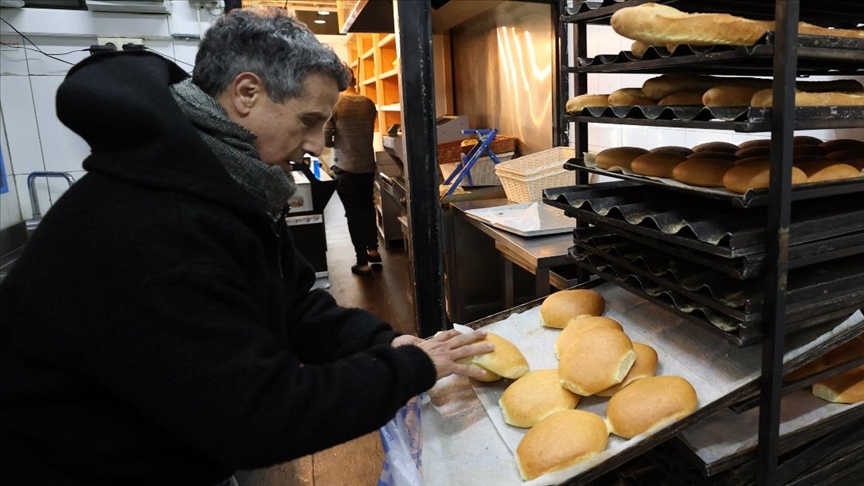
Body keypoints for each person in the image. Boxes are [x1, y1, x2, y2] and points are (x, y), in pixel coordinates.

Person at [0, 8, 492, 486]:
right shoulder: (158, 221)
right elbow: (259, 415)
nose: (317, 143)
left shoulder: (221, 181)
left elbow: (294, 302)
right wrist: (408, 369)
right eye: (308, 120)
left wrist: (383, 343)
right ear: (247, 93)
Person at [324, 69, 380, 276]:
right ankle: (373, 249)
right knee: (368, 207)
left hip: (345, 168)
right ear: (355, 81)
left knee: (353, 214)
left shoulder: (335, 105)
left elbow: (326, 140)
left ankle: (362, 262)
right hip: (367, 166)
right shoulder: (368, 103)